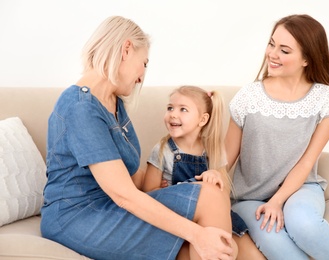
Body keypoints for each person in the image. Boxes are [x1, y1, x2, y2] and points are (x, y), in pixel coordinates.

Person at [40, 16, 236, 260]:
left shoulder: (114, 104)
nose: (142, 75)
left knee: (211, 200)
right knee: (209, 204)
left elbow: (133, 179)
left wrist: (178, 185)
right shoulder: (81, 108)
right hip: (77, 216)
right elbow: (123, 194)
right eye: (144, 63)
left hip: (111, 207)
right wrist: (196, 233)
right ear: (126, 49)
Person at [225, 14, 329, 260]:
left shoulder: (327, 99)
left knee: (304, 224)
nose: (272, 54)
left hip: (302, 187)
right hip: (250, 197)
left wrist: (278, 201)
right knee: (280, 247)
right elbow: (224, 160)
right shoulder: (248, 97)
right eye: (272, 44)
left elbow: (307, 161)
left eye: (284, 50)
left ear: (307, 58)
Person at [142, 85, 266, 260]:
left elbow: (223, 195)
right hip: (180, 221)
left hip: (213, 218)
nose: (173, 114)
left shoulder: (213, 150)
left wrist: (216, 176)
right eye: (170, 108)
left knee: (252, 255)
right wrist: (165, 191)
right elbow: (148, 197)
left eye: (183, 109)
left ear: (202, 119)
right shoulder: (163, 150)